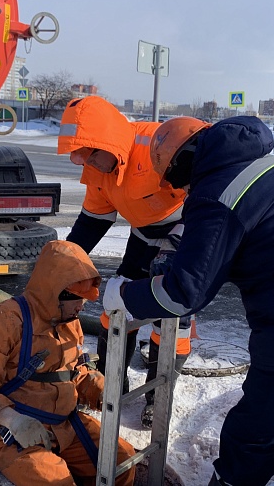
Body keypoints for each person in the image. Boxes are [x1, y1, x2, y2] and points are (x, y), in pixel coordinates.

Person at [103, 116, 274, 486]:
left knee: (251, 429)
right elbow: (260, 235)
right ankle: (272, 460)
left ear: (184, 161)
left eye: (175, 180)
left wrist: (123, 294)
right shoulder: (268, 165)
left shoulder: (215, 192)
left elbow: (183, 294)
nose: (179, 190)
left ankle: (240, 477)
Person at [58, 96, 208, 428]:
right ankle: (110, 382)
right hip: (143, 235)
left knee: (172, 316)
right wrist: (64, 263)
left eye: (93, 155)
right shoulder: (97, 167)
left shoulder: (159, 144)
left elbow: (207, 194)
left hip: (185, 230)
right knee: (117, 306)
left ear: (108, 140)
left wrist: (182, 241)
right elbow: (93, 221)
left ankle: (159, 395)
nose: (91, 164)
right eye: (82, 158)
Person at [0, 240, 136, 486]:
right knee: (54, 482)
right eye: (77, 298)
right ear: (56, 291)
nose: (82, 306)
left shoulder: (70, 321)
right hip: (14, 433)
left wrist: (95, 386)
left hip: (66, 425)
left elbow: (73, 371)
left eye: (85, 299)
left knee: (122, 464)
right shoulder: (6, 321)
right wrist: (11, 420)